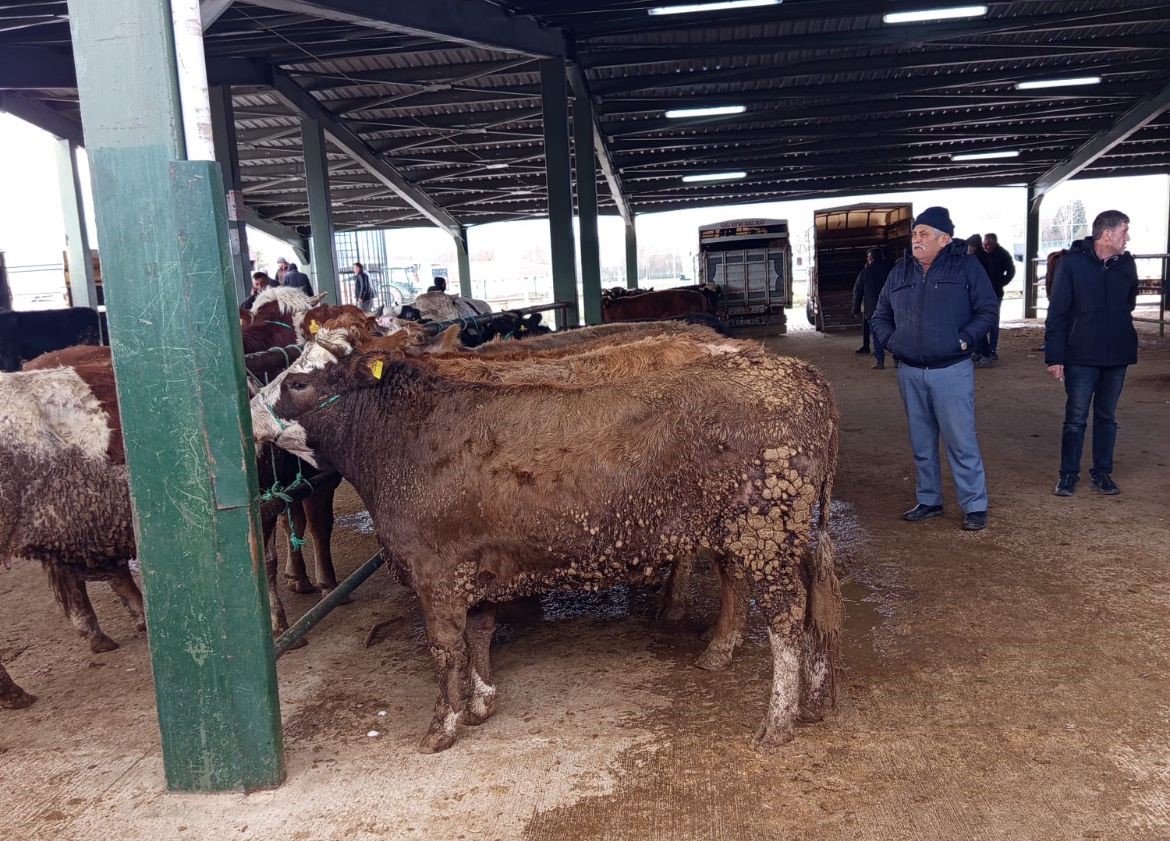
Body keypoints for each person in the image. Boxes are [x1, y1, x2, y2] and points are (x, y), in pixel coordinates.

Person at [870, 206, 999, 532]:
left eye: (923, 233)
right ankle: (929, 500)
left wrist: (964, 341)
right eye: (915, 233)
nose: (916, 239)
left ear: (945, 239)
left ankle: (975, 504)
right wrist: (892, 342)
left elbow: (987, 309)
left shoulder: (966, 267)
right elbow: (879, 313)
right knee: (922, 442)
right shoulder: (900, 272)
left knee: (961, 440)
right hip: (909, 371)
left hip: (951, 370)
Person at [1044, 210, 1138, 498]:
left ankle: (1102, 473)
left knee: (1107, 417)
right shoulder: (1072, 264)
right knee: (1076, 417)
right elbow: (1057, 311)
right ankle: (1068, 475)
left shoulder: (1126, 264)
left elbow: (1130, 301)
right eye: (1124, 231)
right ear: (1107, 234)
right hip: (1081, 355)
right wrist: (1055, 356)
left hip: (1117, 354)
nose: (1127, 238)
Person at [851, 247, 893, 369]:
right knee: (895, 334)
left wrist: (855, 309)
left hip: (873, 310)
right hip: (892, 309)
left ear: (870, 259)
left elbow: (857, 292)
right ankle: (897, 360)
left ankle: (880, 361)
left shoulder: (865, 273)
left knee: (876, 336)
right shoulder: (892, 270)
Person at [981, 233, 1016, 361]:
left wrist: (1002, 281)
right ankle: (982, 350)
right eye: (985, 244)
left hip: (996, 292)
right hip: (981, 293)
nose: (986, 247)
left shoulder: (1003, 254)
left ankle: (992, 350)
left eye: (989, 244)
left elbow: (1011, 271)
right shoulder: (981, 254)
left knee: (993, 322)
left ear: (995, 243)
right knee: (981, 321)